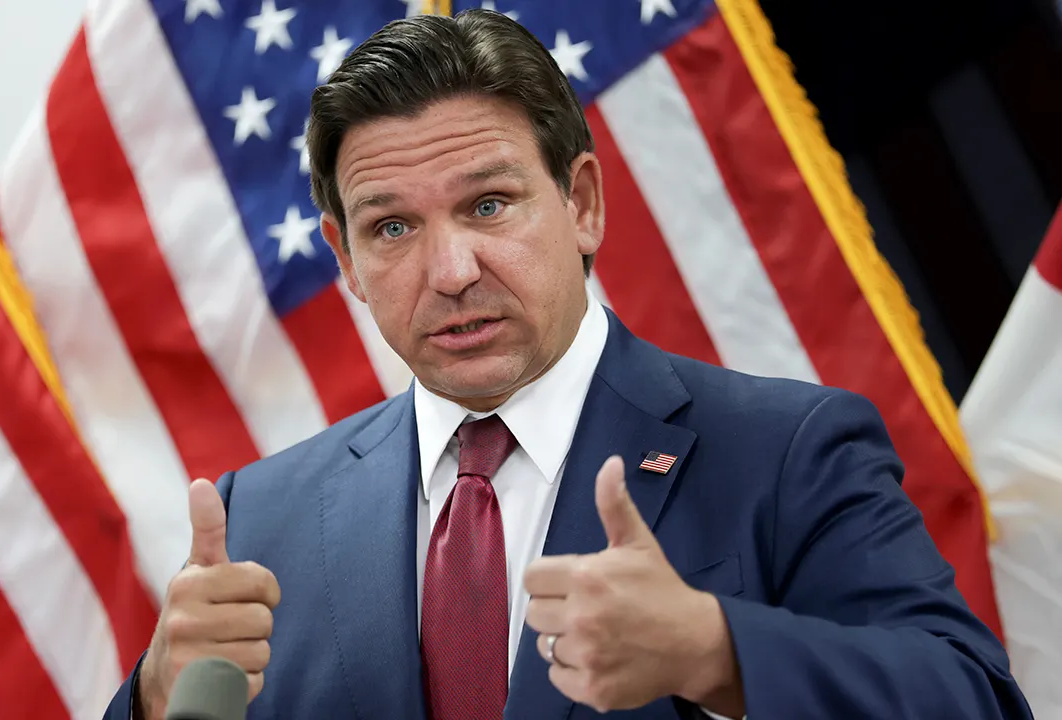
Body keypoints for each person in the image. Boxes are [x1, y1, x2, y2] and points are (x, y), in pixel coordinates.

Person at [105, 9, 1033, 720]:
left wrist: (718, 652)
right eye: (392, 228)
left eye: (489, 205)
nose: (451, 270)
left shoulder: (785, 451)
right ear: (345, 259)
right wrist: (154, 695)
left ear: (581, 203)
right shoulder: (260, 520)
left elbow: (974, 699)